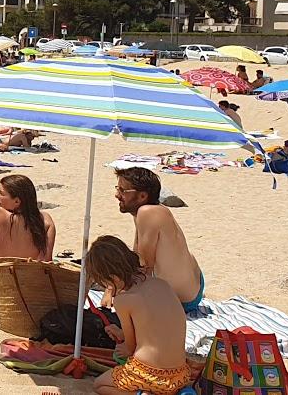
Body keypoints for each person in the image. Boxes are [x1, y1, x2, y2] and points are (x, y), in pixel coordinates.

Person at [86, 236, 192, 395]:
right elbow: (153, 332)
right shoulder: (160, 283)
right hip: (179, 375)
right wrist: (120, 332)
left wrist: (122, 346)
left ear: (113, 278)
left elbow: (130, 348)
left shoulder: (124, 300)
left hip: (150, 374)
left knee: (100, 385)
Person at [114, 167, 205, 313]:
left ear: (142, 196)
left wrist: (118, 293)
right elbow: (136, 256)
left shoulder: (147, 213)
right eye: (118, 189)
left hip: (183, 299)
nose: (117, 195)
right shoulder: (152, 210)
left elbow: (145, 267)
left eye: (123, 191)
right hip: (194, 284)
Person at [0, 174, 56, 299]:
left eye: (1, 193)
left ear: (17, 201)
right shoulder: (46, 220)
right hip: (26, 285)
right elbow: (45, 262)